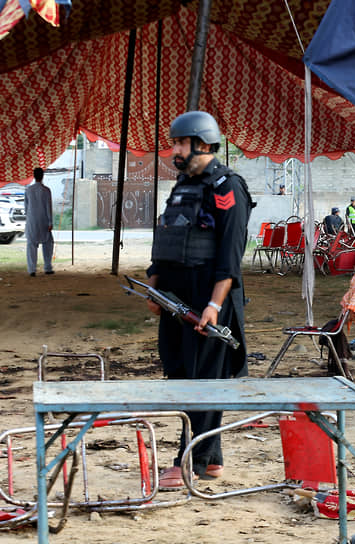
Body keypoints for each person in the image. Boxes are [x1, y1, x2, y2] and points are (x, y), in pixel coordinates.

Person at [145, 111, 253, 490]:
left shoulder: (227, 187)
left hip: (208, 299)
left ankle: (190, 459)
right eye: (173, 142)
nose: (173, 149)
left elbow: (229, 254)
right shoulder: (182, 185)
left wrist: (214, 305)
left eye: (180, 143)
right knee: (181, 373)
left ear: (203, 144)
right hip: (176, 297)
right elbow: (167, 235)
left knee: (203, 380)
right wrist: (154, 284)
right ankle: (213, 458)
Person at [24, 167, 54, 277]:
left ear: (34, 176)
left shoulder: (28, 190)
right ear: (42, 176)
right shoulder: (46, 190)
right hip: (43, 220)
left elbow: (26, 208)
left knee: (31, 245)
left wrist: (29, 219)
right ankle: (47, 267)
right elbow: (48, 207)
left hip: (32, 220)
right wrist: (50, 222)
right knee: (48, 243)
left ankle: (32, 269)